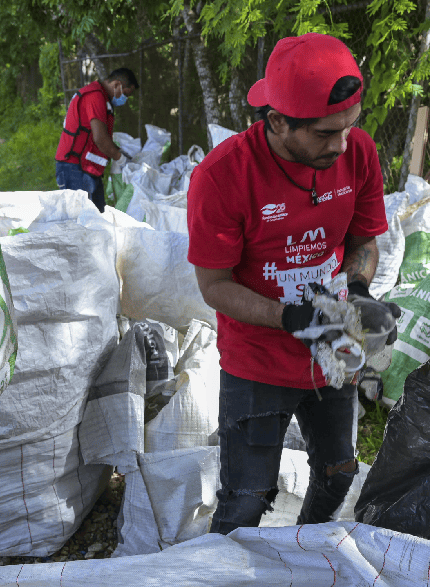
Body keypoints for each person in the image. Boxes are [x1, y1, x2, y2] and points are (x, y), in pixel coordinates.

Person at [187, 33, 398, 534]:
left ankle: (304, 554)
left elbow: (364, 239)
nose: (341, 145)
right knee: (245, 502)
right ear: (277, 121)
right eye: (325, 134)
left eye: (349, 127)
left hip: (334, 336)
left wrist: (360, 292)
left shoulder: (356, 153)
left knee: (338, 473)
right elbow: (214, 285)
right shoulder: (223, 176)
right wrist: (288, 315)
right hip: (257, 355)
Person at [55, 67, 138, 212]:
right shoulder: (95, 96)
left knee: (97, 216)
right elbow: (100, 138)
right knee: (83, 221)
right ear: (117, 84)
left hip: (86, 168)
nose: (125, 99)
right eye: (125, 93)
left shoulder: (102, 98)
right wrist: (120, 158)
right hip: (74, 168)